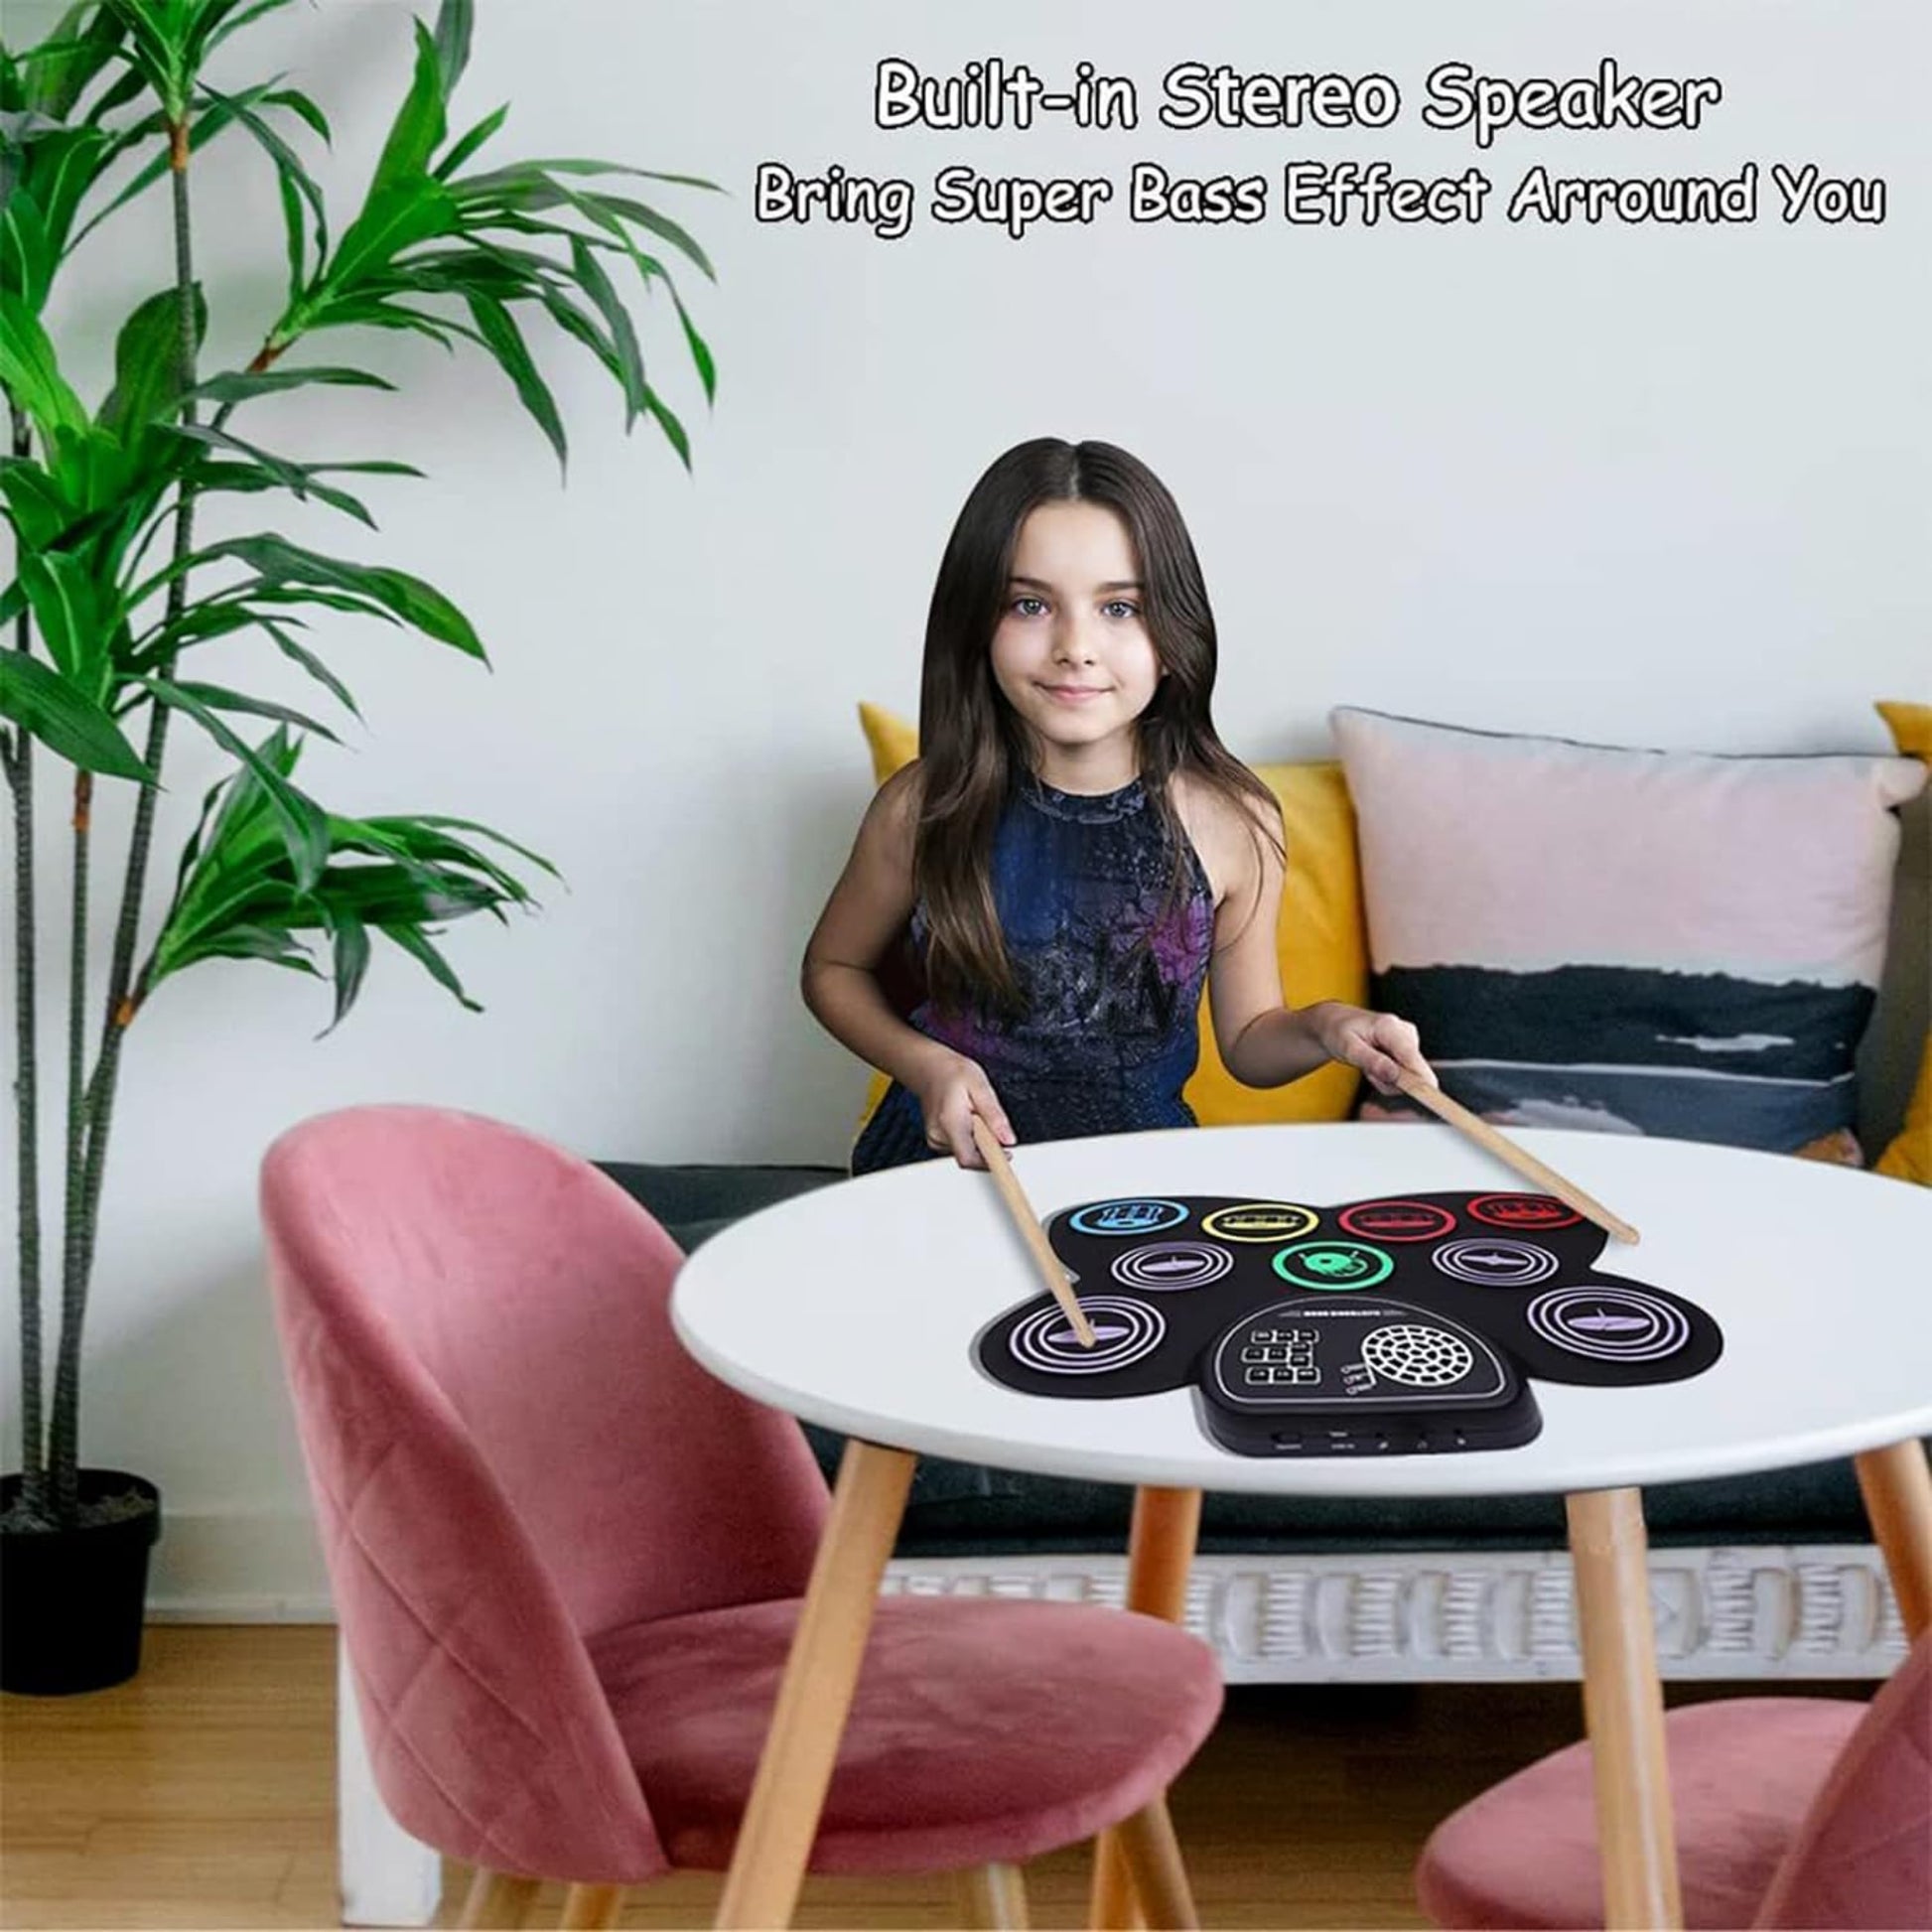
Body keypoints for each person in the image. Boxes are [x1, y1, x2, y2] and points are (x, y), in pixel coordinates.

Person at [802, 436, 1436, 1175]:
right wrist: (924, 1065)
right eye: (1030, 604)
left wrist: (1331, 1027)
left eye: (1120, 608)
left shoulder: (1234, 823)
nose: (1076, 646)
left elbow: (1251, 1039)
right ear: (976, 623)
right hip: (936, 1176)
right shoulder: (922, 807)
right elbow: (833, 968)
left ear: (1174, 633)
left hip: (1137, 1187)